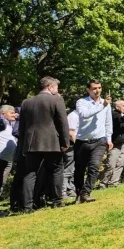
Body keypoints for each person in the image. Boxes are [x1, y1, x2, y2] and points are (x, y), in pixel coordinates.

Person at [18, 77, 70, 213]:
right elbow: (63, 123)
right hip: (52, 141)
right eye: (56, 88)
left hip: (31, 143)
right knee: (57, 170)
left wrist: (23, 146)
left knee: (30, 173)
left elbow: (22, 128)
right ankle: (57, 200)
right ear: (50, 87)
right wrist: (65, 142)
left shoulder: (26, 102)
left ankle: (27, 207)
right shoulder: (56, 99)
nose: (57, 90)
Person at [74, 80, 113, 204]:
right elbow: (84, 115)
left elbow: (108, 122)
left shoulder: (105, 103)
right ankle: (79, 192)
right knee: (80, 170)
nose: (98, 91)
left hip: (99, 141)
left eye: (100, 88)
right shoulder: (82, 102)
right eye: (94, 88)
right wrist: (102, 106)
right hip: (83, 141)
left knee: (94, 168)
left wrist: (109, 138)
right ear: (88, 90)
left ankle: (86, 193)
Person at [99, 100, 124, 189]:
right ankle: (103, 183)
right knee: (111, 164)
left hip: (123, 142)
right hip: (114, 144)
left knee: (120, 163)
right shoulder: (114, 114)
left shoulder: (122, 114)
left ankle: (114, 182)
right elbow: (121, 120)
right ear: (117, 107)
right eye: (123, 106)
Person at [0, 105, 18, 197]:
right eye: (11, 113)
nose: (14, 115)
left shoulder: (12, 124)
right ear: (3, 114)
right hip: (1, 157)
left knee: (2, 182)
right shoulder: (1, 122)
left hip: (8, 159)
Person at [63, 109, 78, 198]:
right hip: (72, 146)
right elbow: (71, 132)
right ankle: (63, 192)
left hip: (75, 146)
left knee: (73, 170)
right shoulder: (73, 116)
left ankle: (71, 189)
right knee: (68, 170)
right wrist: (78, 144)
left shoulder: (80, 115)